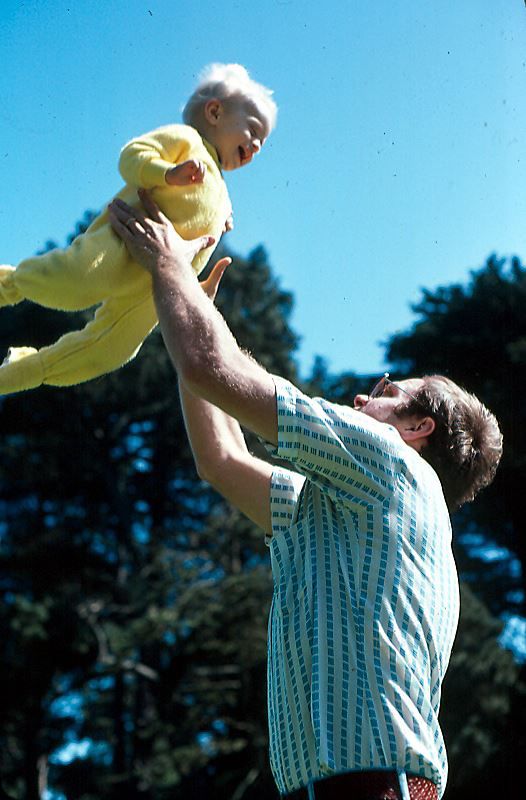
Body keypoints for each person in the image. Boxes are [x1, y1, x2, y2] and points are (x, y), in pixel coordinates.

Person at [108, 192, 503, 800]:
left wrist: (168, 264)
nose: (366, 395)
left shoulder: (392, 463)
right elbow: (221, 460)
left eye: (390, 389)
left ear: (418, 428)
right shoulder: (356, 513)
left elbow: (211, 365)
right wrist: (183, 306)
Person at [0, 63, 276, 395]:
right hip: (124, 244)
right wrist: (166, 172)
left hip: (156, 289)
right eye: (253, 130)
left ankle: (25, 370)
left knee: (114, 349)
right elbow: (132, 156)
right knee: (74, 279)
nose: (257, 146)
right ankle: (10, 284)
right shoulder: (187, 140)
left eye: (262, 141)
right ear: (214, 112)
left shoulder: (224, 192)